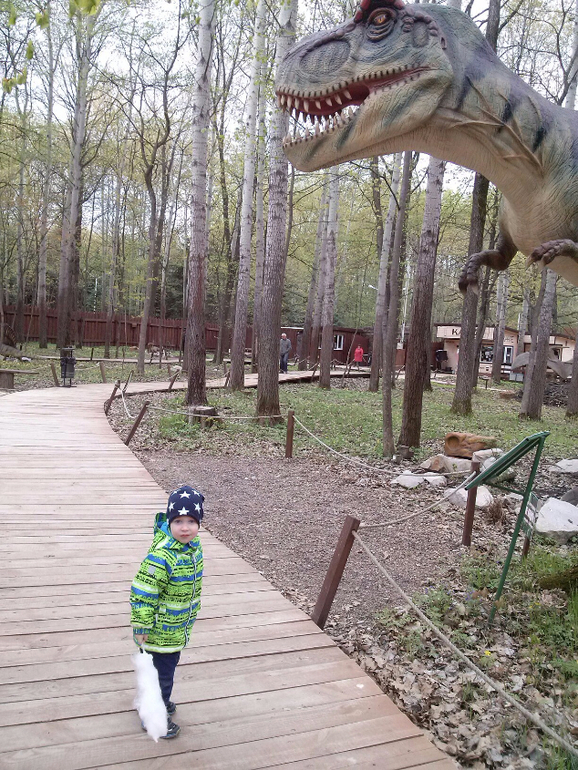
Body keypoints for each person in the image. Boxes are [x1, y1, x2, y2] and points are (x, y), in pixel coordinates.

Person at [130, 485, 204, 739]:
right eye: (178, 521)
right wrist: (141, 626)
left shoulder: (192, 548)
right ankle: (153, 716)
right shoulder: (162, 557)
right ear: (170, 522)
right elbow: (143, 591)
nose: (185, 528)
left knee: (164, 672)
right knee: (162, 674)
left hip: (176, 628)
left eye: (191, 521)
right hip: (158, 631)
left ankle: (155, 701)